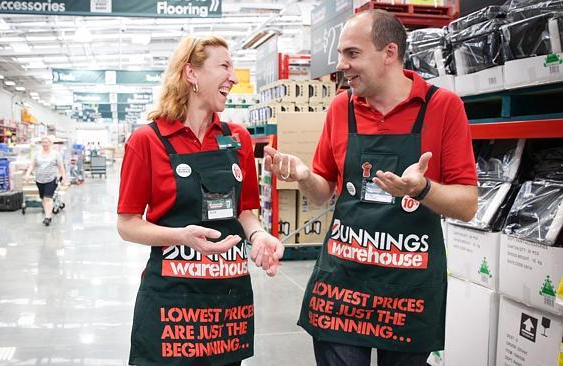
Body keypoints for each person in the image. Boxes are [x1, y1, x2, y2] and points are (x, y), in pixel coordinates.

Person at [264, 10, 478, 366]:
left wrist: (423, 189)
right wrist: (303, 176)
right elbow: (322, 193)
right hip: (342, 285)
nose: (340, 65)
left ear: (389, 53)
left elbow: (468, 204)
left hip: (408, 289)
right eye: (340, 54)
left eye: (351, 54)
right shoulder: (340, 108)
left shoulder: (442, 107)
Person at [117, 35, 284, 366]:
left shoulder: (237, 138)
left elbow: (245, 210)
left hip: (227, 302)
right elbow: (127, 224)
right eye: (224, 65)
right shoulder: (147, 140)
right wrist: (180, 236)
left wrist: (259, 235)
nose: (234, 77)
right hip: (172, 302)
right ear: (191, 74)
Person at [25, 136, 67, 226]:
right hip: (39, 179)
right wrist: (27, 174)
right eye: (43, 142)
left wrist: (64, 178)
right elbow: (32, 165)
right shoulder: (37, 154)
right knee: (43, 198)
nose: (44, 144)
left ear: (50, 143)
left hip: (51, 179)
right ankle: (47, 213)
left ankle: (48, 217)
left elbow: (61, 167)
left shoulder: (56, 154)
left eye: (46, 142)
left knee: (48, 197)